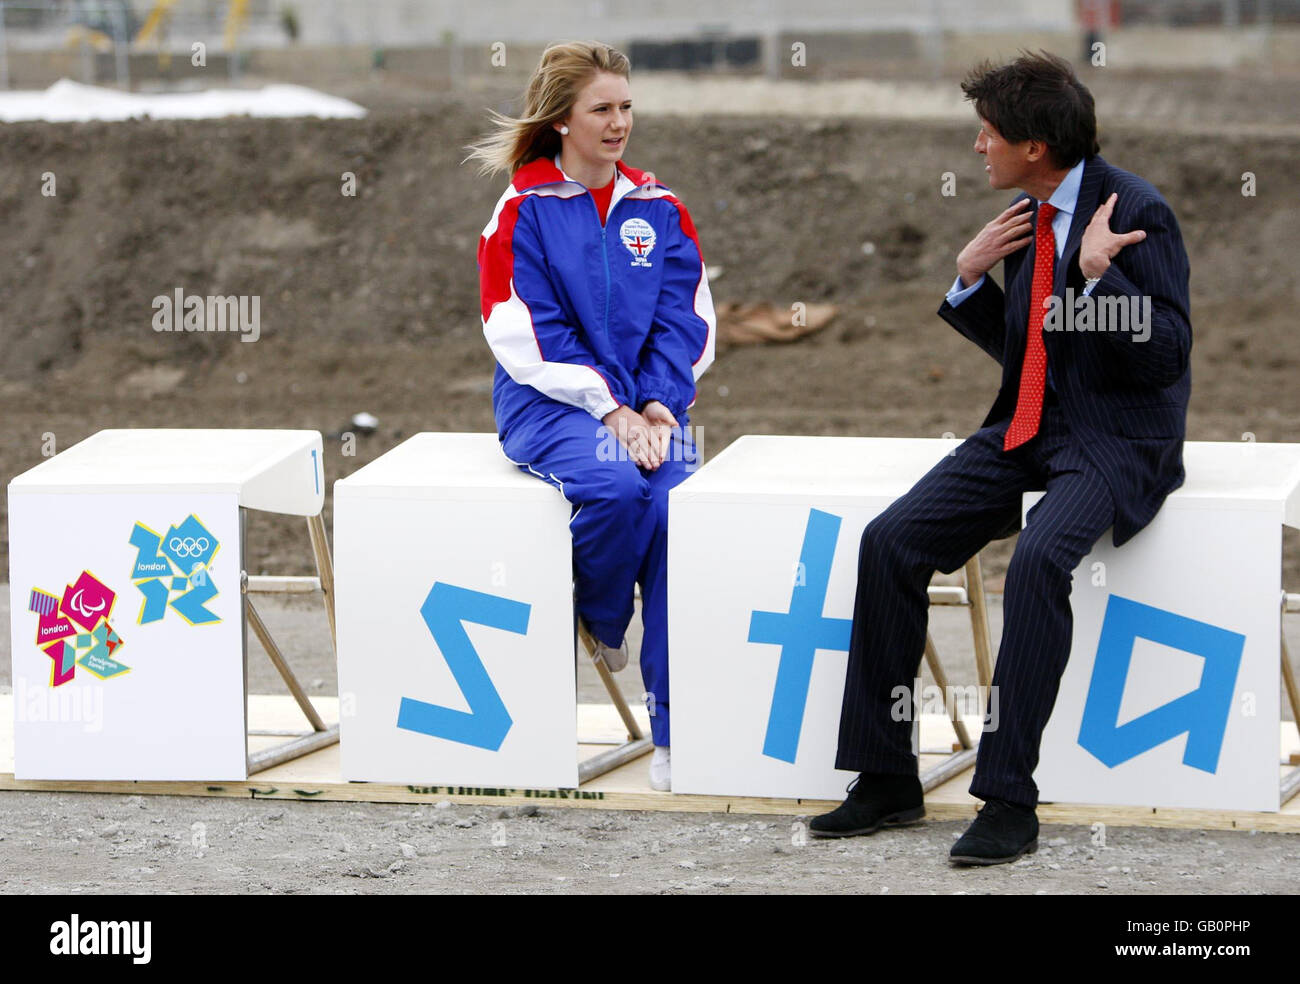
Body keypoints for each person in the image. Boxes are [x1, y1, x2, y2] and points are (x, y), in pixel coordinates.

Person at [812, 51, 1191, 864]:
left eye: (988, 135)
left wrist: (1099, 281)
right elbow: (1033, 355)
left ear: (1034, 145)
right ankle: (885, 777)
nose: (977, 148)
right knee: (890, 543)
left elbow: (1167, 356)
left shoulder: (1136, 212)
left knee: (1035, 563)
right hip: (1028, 427)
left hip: (1117, 442)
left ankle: (1008, 798)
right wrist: (969, 280)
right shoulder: (1029, 211)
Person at [467, 41, 716, 791]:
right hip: (547, 403)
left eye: (626, 107)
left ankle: (672, 737)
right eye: (601, 110)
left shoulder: (660, 208)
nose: (619, 123)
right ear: (562, 121)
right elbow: (526, 327)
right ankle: (605, 621)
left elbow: (687, 317)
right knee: (614, 490)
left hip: (648, 409)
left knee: (676, 509)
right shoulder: (522, 211)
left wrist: (658, 406)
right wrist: (608, 410)